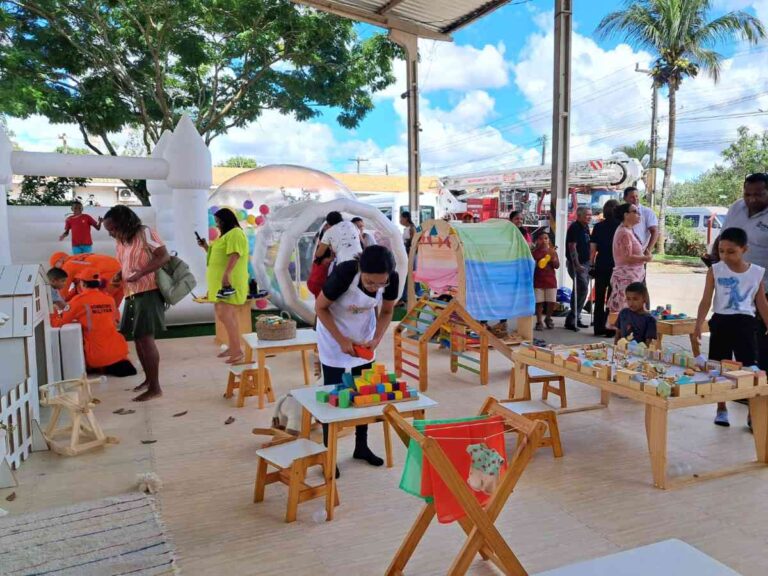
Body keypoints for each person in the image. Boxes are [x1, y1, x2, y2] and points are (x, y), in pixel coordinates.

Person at [315, 245, 399, 476]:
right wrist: (341, 340)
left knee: (364, 393)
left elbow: (387, 312)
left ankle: (361, 446)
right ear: (361, 268)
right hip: (334, 336)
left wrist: (376, 339)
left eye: (381, 284)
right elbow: (320, 308)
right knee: (333, 395)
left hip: (363, 337)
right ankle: (328, 453)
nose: (376, 288)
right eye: (371, 283)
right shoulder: (344, 273)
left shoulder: (392, 278)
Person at [694, 227, 768, 428]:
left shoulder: (756, 273)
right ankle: (721, 408)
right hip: (721, 322)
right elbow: (706, 300)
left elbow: (761, 303)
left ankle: (752, 412)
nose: (725, 256)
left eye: (731, 251)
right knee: (719, 367)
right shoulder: (715, 270)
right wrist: (698, 323)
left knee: (750, 370)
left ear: (745, 249)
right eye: (721, 251)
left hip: (745, 324)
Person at [102, 205, 170, 402]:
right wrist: (118, 275)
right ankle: (148, 380)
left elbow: (163, 256)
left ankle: (155, 387)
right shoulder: (121, 241)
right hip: (131, 292)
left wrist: (142, 272)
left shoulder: (145, 233)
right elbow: (125, 265)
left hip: (149, 291)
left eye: (112, 228)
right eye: (109, 230)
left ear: (124, 222)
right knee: (138, 339)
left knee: (146, 338)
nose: (111, 233)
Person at [718, 173, 768, 372]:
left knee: (761, 341)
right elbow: (723, 237)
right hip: (733, 288)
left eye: (759, 194)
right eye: (748, 194)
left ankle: (761, 388)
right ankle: (742, 386)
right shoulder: (736, 207)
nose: (752, 199)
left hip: (763, 287)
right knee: (740, 339)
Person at [51, 267, 137, 377]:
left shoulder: (78, 300)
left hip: (97, 356)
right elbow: (114, 320)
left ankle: (99, 367)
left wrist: (52, 311)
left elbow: (58, 324)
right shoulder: (109, 298)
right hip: (119, 352)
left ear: (83, 283)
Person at [198, 208, 250, 363]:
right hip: (220, 282)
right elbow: (216, 256)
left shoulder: (235, 233)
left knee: (225, 314)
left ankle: (237, 351)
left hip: (228, 281)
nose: (217, 225)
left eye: (219, 221)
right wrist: (205, 247)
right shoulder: (226, 236)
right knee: (227, 314)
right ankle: (233, 346)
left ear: (226, 220)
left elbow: (235, 254)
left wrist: (226, 274)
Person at [608, 203, 652, 323]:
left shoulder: (628, 230)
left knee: (632, 314)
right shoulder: (624, 232)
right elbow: (627, 257)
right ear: (626, 215)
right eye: (635, 212)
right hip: (625, 278)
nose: (639, 215)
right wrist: (645, 258)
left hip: (631, 277)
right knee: (626, 314)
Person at [47, 252, 123, 308]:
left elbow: (62, 291)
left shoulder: (68, 265)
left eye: (54, 266)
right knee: (112, 309)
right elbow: (77, 290)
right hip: (121, 272)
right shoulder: (78, 259)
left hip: (107, 275)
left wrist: (53, 303)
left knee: (96, 305)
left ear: (59, 261)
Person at [590, 199, 621, 336]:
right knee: (612, 298)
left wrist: (591, 264)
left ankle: (597, 328)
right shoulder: (621, 227)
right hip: (616, 265)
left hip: (601, 263)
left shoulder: (598, 227)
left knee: (599, 297)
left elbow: (593, 248)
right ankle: (609, 328)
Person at [564, 207, 592, 331]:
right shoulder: (575, 227)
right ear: (579, 216)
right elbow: (572, 246)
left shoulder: (586, 228)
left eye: (590, 215)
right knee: (582, 288)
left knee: (580, 290)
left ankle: (575, 317)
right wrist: (576, 263)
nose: (589, 217)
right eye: (587, 215)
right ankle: (572, 318)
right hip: (577, 264)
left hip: (585, 263)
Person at [623, 186, 659, 275]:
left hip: (640, 254)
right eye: (632, 197)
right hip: (624, 255)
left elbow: (655, 231)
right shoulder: (622, 212)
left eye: (637, 196)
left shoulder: (647, 212)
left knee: (638, 282)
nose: (635, 199)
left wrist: (648, 251)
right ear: (625, 198)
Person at [532, 231, 559, 330]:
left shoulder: (552, 251)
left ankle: (548, 318)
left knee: (551, 302)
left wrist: (553, 259)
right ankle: (539, 321)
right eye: (541, 238)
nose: (544, 240)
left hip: (551, 281)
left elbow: (557, 266)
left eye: (546, 238)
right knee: (539, 302)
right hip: (538, 280)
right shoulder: (534, 253)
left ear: (549, 240)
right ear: (537, 241)